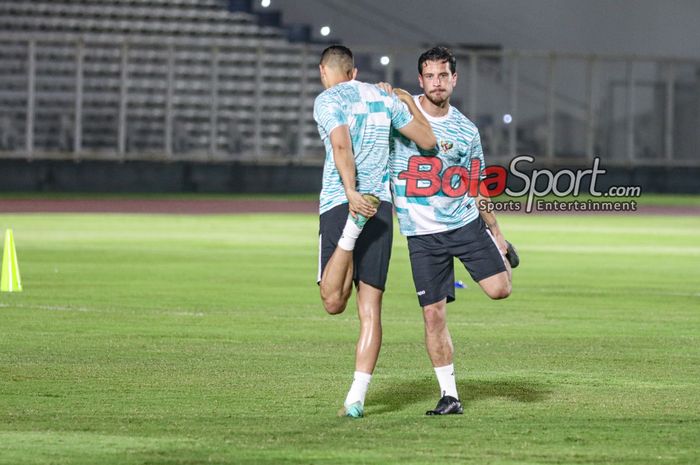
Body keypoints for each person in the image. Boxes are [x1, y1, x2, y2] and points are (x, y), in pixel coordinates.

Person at [380, 46, 515, 415]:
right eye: (430, 76)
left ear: (454, 79)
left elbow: (477, 185)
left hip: (463, 224)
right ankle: (450, 396)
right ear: (420, 79)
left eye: (444, 75)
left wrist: (497, 234)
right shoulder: (401, 115)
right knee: (433, 315)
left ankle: (491, 247)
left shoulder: (466, 130)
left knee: (500, 290)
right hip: (422, 237)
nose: (437, 82)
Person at [313, 45, 436, 418]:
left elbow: (340, 144)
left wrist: (350, 192)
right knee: (371, 309)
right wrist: (405, 99)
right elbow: (428, 142)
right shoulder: (382, 97)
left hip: (342, 201)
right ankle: (356, 397)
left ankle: (351, 232)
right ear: (354, 71)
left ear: (324, 71)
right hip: (380, 207)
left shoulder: (327, 99)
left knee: (334, 302)